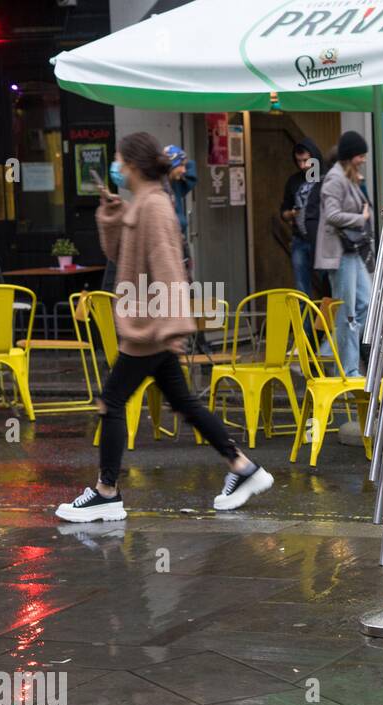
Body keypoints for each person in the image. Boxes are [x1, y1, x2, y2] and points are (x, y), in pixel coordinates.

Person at [55, 131, 273, 523]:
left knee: (111, 401)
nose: (116, 168)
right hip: (153, 325)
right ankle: (242, 467)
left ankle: (107, 492)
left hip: (151, 327)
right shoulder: (146, 204)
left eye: (120, 161)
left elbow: (169, 268)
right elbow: (118, 253)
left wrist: (169, 325)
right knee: (184, 403)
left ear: (134, 166)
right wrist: (112, 210)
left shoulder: (154, 207)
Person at [315, 131, 372, 379]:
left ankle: (329, 350)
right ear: (350, 156)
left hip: (352, 251)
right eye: (361, 155)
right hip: (339, 253)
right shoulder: (334, 180)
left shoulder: (348, 179)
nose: (364, 160)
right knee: (347, 311)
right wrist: (361, 219)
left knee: (367, 303)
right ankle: (349, 369)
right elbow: (332, 215)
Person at [280, 139, 323, 297]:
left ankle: (329, 322)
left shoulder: (325, 177)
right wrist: (291, 214)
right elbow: (283, 211)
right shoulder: (293, 181)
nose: (303, 165)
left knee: (329, 285)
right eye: (299, 161)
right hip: (300, 239)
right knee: (301, 288)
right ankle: (305, 323)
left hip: (322, 239)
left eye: (306, 160)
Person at [163, 144, 198, 276]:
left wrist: (173, 153)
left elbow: (191, 170)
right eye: (180, 165)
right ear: (171, 166)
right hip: (169, 256)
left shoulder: (175, 185)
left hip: (180, 252)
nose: (184, 170)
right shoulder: (161, 190)